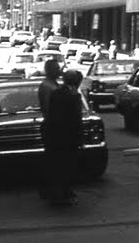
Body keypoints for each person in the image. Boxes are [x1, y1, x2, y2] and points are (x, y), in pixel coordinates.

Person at [41, 68, 84, 205]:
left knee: (56, 166)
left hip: (54, 135)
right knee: (65, 166)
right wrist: (79, 137)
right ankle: (61, 194)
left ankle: (56, 192)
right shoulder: (73, 96)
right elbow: (75, 119)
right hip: (66, 137)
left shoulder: (56, 93)